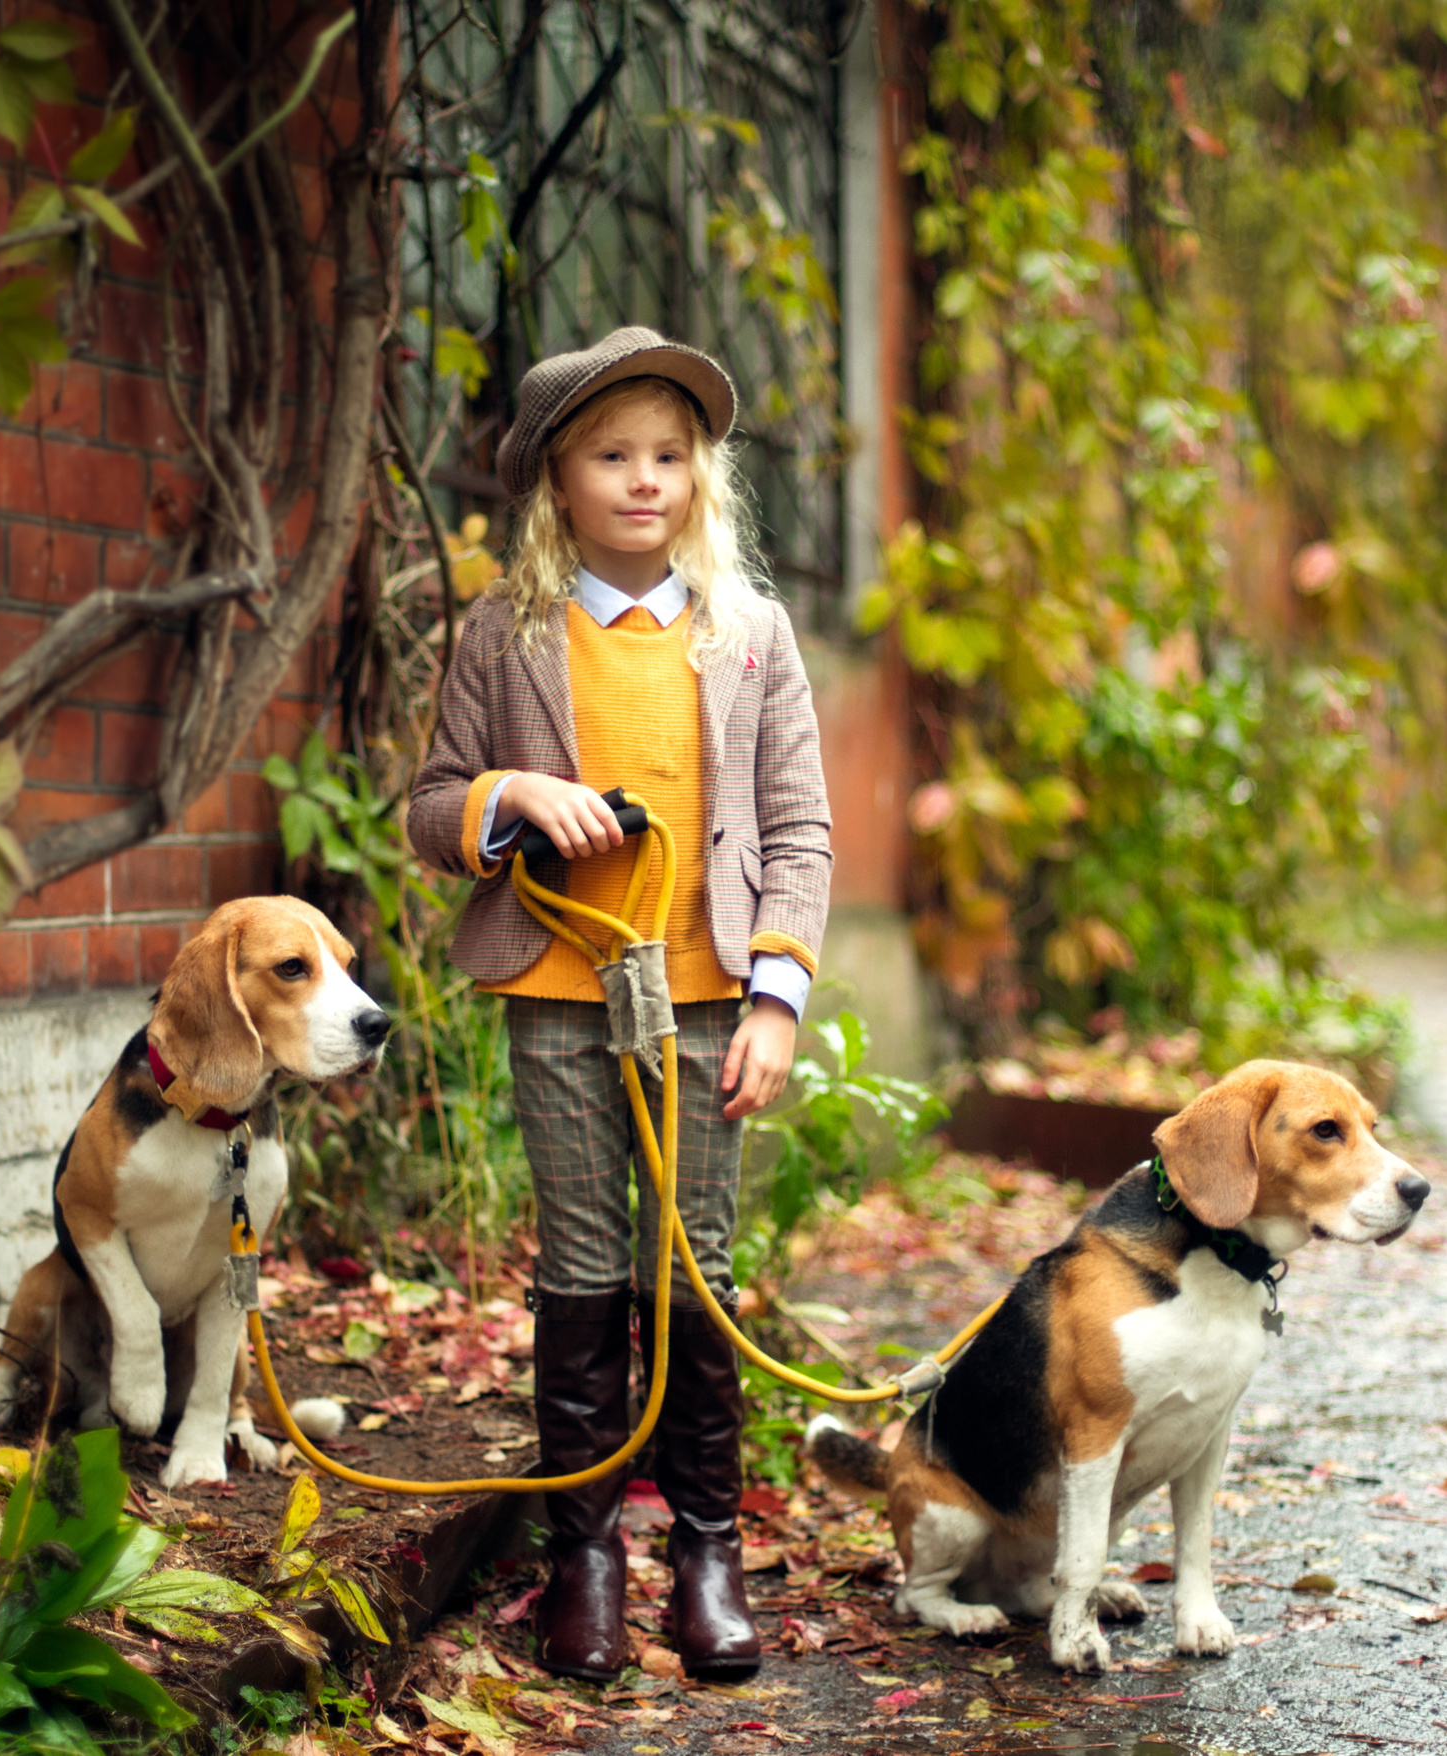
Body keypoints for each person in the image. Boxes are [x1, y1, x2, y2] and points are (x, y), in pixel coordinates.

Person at [407, 328, 832, 1681]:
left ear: (699, 477)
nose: (644, 480)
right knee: (585, 1261)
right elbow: (428, 805)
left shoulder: (752, 637)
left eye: (669, 456)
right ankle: (585, 1551)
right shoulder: (508, 632)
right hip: (558, 987)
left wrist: (776, 996)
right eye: (612, 456)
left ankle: (708, 1545)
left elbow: (800, 829)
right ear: (557, 484)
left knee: (691, 1257)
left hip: (708, 998)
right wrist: (510, 798)